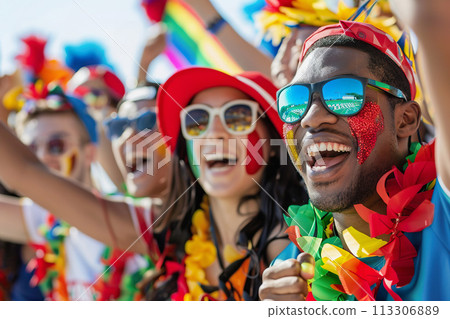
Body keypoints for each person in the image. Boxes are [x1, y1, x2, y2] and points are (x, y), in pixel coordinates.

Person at [259, 20, 449, 301]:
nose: (310, 118)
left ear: (405, 120)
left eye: (344, 95)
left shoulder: (442, 215)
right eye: (295, 101)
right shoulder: (291, 272)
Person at [138, 67, 308, 300]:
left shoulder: (306, 245)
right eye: (197, 120)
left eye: (237, 117)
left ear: (271, 144)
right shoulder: (168, 233)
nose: (214, 133)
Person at [0, 84, 105, 300]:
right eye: (30, 151)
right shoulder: (43, 221)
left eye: (56, 146)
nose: (41, 158)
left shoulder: (127, 219)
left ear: (90, 154)